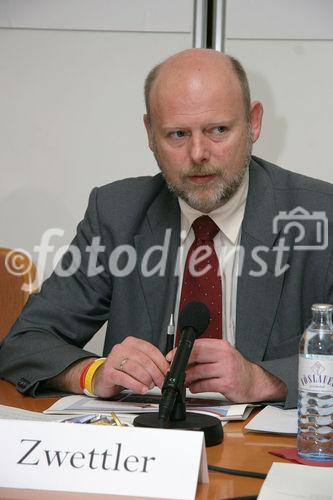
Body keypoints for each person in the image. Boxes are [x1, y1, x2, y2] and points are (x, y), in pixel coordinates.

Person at [1, 49, 332, 409]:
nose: (198, 153)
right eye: (177, 134)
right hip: (144, 450)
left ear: (253, 123)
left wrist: (264, 379)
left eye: (218, 130)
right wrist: (92, 373)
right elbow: (25, 342)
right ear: (150, 133)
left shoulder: (320, 214)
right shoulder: (117, 213)